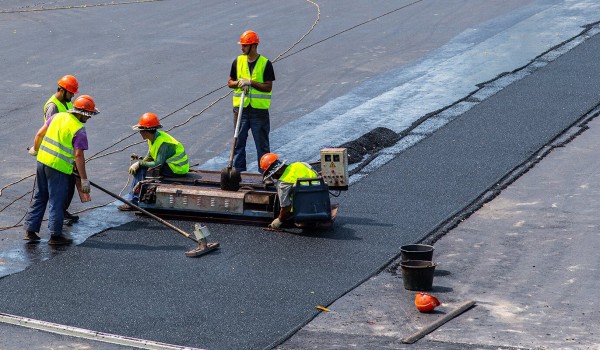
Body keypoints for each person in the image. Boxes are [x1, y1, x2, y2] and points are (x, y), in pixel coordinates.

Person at [24, 95, 99, 245]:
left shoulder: (57, 116)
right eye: (89, 115)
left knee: (40, 196)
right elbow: (78, 155)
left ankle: (30, 231)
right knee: (56, 201)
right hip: (57, 169)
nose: (89, 118)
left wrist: (35, 149)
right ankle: (55, 236)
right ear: (82, 113)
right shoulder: (79, 129)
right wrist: (84, 179)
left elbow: (39, 134)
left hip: (42, 162)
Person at [118, 112, 190, 211]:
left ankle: (133, 202)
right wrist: (140, 162)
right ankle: (136, 197)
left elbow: (158, 163)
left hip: (176, 169)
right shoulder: (153, 138)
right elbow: (150, 155)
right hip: (170, 165)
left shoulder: (163, 143)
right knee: (141, 167)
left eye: (141, 130)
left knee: (142, 169)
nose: (139, 133)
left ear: (146, 131)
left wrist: (140, 164)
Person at [227, 30, 275, 173]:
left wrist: (251, 83)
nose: (242, 48)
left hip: (258, 111)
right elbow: (230, 82)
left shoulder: (265, 63)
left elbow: (268, 87)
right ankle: (237, 173)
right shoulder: (238, 61)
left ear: (254, 46)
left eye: (244, 46)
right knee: (238, 143)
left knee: (262, 145)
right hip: (240, 110)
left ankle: (265, 173)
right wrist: (239, 83)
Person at [43, 75, 80, 224]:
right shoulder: (53, 106)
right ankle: (57, 221)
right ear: (62, 90)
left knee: (69, 186)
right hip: (56, 155)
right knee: (58, 190)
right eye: (71, 93)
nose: (72, 96)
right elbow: (52, 130)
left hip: (67, 152)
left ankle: (62, 211)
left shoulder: (67, 103)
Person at [260, 153, 319, 229]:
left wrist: (279, 220)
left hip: (305, 210)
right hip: (319, 200)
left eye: (271, 175)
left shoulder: (282, 183)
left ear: (276, 171)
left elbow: (286, 207)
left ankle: (302, 219)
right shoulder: (299, 164)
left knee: (287, 204)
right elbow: (316, 174)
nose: (272, 177)